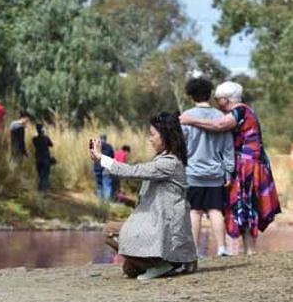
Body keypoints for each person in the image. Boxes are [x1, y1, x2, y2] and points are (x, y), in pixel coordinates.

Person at [90, 112, 197, 280]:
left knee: (109, 231)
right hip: (155, 224)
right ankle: (167, 262)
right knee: (130, 269)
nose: (150, 139)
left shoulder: (169, 163)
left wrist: (101, 158)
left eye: (152, 134)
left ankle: (164, 264)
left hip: (163, 227)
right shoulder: (164, 159)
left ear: (166, 136)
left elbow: (133, 171)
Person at [180, 81, 281, 255]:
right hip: (238, 167)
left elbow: (218, 126)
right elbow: (225, 142)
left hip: (245, 166)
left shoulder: (238, 111)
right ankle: (233, 249)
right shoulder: (235, 112)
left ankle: (247, 250)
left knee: (202, 209)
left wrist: (189, 120)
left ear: (226, 99)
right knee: (228, 208)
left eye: (219, 99)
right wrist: (227, 170)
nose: (217, 102)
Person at [182, 78, 235, 257]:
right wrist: (229, 171)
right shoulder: (221, 117)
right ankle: (222, 248)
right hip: (215, 172)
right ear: (210, 94)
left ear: (191, 96)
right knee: (215, 210)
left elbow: (181, 146)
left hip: (193, 172)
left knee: (194, 211)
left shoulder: (185, 117)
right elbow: (228, 147)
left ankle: (194, 250)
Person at [93, 133, 115, 201]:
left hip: (97, 168)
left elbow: (93, 156)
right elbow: (113, 157)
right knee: (107, 186)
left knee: (99, 186)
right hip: (106, 168)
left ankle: (99, 203)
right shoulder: (109, 147)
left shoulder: (96, 146)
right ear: (106, 139)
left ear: (100, 138)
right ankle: (106, 203)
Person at [33, 123, 53, 192]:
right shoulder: (46, 138)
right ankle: (43, 190)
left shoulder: (34, 139)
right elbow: (51, 144)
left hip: (38, 159)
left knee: (40, 174)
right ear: (42, 130)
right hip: (45, 158)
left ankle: (40, 189)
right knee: (45, 175)